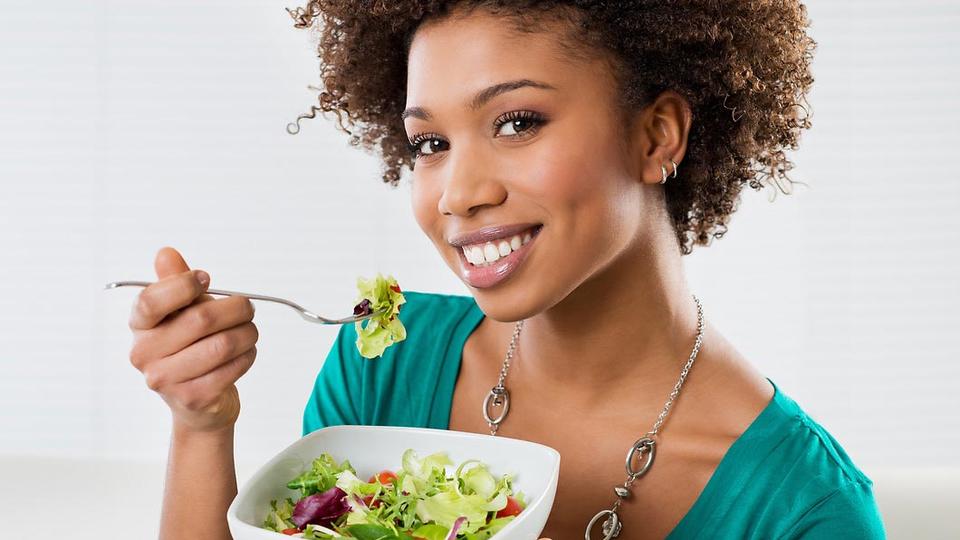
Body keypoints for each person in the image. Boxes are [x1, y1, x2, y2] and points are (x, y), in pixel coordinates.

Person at [127, 1, 886, 538]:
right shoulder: (383, 364)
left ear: (656, 136)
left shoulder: (804, 514)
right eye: (430, 144)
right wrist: (200, 427)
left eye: (517, 123)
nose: (458, 194)